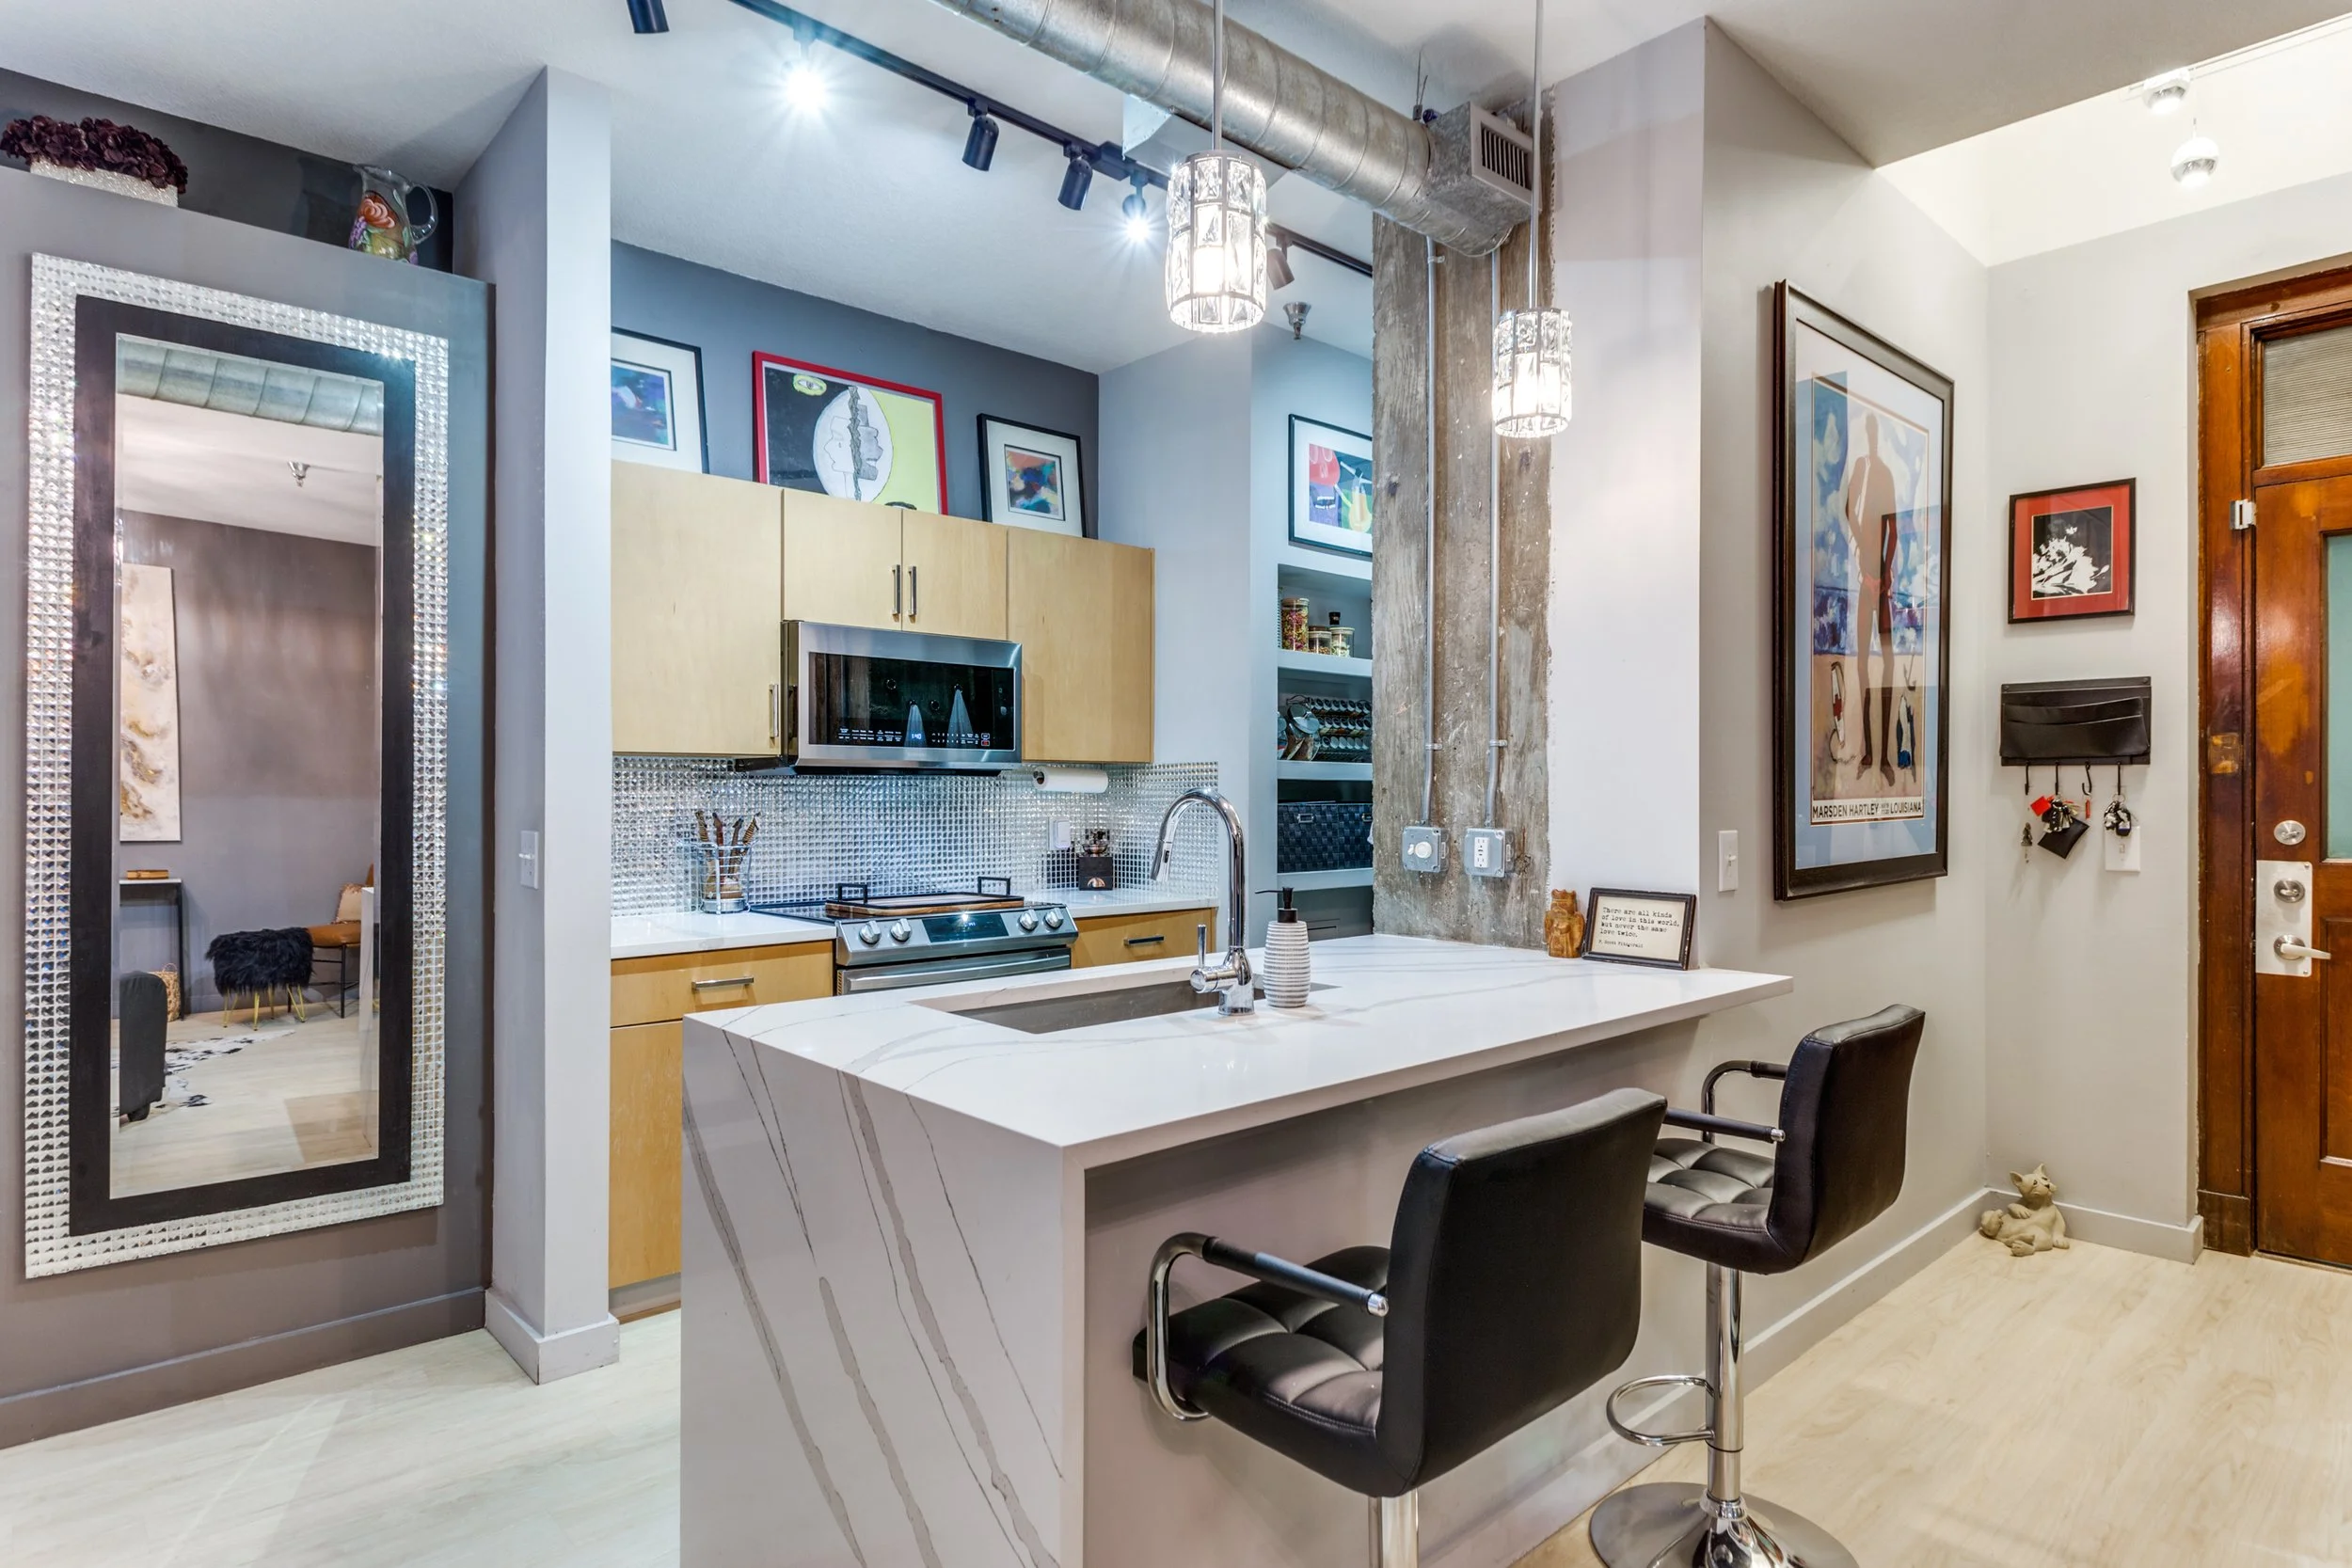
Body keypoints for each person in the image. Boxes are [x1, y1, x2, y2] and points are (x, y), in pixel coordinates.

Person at [1844, 412, 1899, 785]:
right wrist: (1865, 555)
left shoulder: (1884, 474)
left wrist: (1886, 570)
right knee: (1864, 665)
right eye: (1870, 432)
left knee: (1890, 665)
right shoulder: (1862, 471)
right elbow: (1851, 513)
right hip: (1866, 579)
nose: (1873, 438)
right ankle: (1867, 752)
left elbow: (1894, 527)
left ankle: (1885, 757)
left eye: (1876, 432)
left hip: (1881, 579)